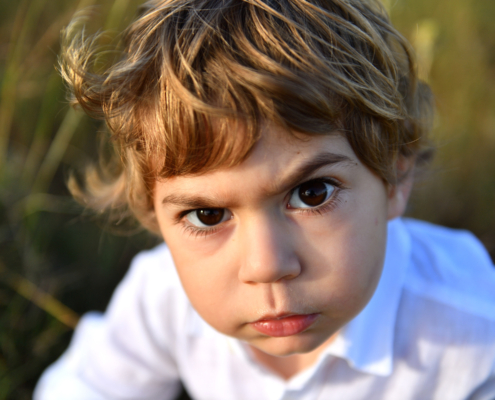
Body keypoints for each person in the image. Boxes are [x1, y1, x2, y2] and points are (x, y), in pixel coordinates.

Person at [34, 0, 495, 399]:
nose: (266, 265)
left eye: (312, 194)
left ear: (396, 178)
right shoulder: (162, 300)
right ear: (153, 214)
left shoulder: (474, 334)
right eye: (207, 214)